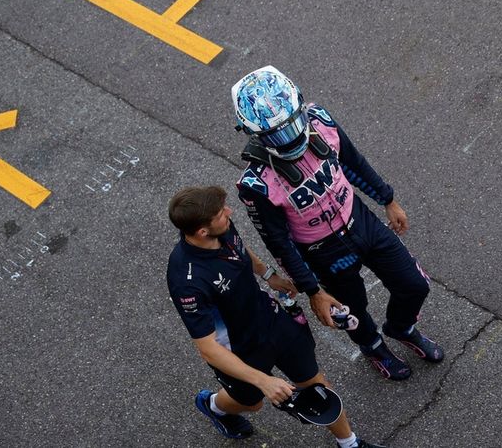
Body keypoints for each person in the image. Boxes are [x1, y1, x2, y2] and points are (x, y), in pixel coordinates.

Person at [232, 65, 443, 381]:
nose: (289, 139)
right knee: (352, 312)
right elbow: (279, 244)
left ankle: (401, 328)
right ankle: (374, 348)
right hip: (323, 252)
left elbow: (354, 163)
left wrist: (387, 199)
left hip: (361, 222)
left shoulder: (320, 120)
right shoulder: (256, 184)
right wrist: (313, 290)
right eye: (277, 134)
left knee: (415, 284)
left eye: (291, 126)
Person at [167, 186, 383, 448]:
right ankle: (213, 406)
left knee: (318, 386)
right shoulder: (187, 282)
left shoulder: (221, 228)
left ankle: (349, 444)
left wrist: (268, 274)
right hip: (239, 350)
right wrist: (263, 381)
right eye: (221, 213)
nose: (229, 212)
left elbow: (239, 249)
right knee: (252, 403)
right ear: (202, 231)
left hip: (273, 321)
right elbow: (208, 349)